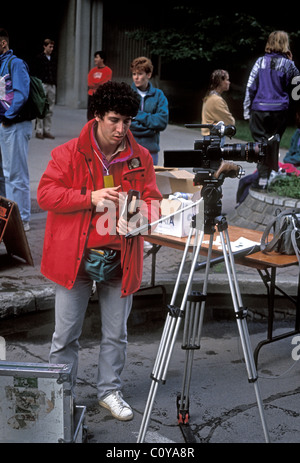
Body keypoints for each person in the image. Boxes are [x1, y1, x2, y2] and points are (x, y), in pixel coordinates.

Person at [37, 81, 162, 421]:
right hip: (73, 260)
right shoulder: (68, 153)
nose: (121, 129)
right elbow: (46, 195)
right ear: (97, 116)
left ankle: (109, 391)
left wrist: (138, 219)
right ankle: (57, 396)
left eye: (127, 121)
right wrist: (87, 198)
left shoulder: (141, 156)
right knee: (65, 335)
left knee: (116, 334)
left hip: (120, 258)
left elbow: (154, 203)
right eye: (114, 120)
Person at [244, 30, 300, 188]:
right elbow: (297, 87)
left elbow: (250, 87)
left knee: (261, 145)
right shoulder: (289, 65)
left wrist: (246, 110)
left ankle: (262, 177)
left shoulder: (260, 62)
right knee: (273, 143)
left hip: (259, 109)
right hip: (279, 111)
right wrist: (292, 62)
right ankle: (270, 175)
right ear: (285, 44)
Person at [0, 28, 32, 231]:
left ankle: (21, 220)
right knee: (4, 174)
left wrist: (7, 117)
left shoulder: (16, 64)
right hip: (4, 124)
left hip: (15, 124)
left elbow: (21, 94)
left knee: (15, 173)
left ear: (3, 43)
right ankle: (6, 217)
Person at [130, 56, 169, 166]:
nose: (136, 77)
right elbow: (126, 123)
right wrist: (151, 129)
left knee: (151, 182)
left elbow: (162, 122)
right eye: (134, 74)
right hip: (131, 150)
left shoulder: (159, 95)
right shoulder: (127, 94)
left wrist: (138, 115)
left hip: (151, 151)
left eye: (140, 74)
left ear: (148, 75)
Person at [201, 69, 235, 145]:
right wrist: (232, 121)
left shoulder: (210, 96)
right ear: (220, 81)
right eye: (227, 80)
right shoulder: (216, 100)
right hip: (214, 136)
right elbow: (229, 121)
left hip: (209, 135)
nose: (229, 82)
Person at [34, 38, 57, 139]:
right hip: (43, 84)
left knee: (50, 108)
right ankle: (39, 130)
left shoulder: (53, 58)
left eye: (52, 47)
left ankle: (47, 130)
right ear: (45, 46)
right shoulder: (39, 58)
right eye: (50, 46)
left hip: (51, 84)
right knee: (41, 107)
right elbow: (36, 72)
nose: (51, 49)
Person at [87, 50, 112, 121]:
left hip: (101, 95)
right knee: (90, 115)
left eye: (97, 57)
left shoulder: (108, 70)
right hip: (92, 94)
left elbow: (105, 83)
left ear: (102, 59)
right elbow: (89, 83)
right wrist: (98, 83)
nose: (95, 59)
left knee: (100, 114)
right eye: (95, 57)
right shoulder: (92, 70)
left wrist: (96, 83)